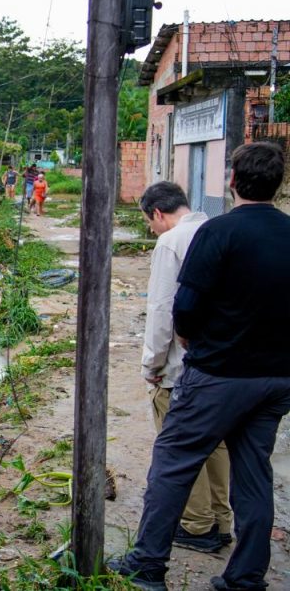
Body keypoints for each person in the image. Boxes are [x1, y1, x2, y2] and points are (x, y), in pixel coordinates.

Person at [109, 142, 290, 591]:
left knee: (172, 461)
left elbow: (184, 309)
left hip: (219, 373)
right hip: (276, 379)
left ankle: (148, 564)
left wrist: (192, 338)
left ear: (231, 181)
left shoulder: (218, 232)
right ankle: (245, 577)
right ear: (279, 183)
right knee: (254, 474)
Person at [139, 181, 232, 554]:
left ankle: (196, 526)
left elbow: (162, 310)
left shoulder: (170, 242)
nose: (151, 230)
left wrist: (152, 363)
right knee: (216, 443)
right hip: (218, 363)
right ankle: (222, 521)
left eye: (149, 223)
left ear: (158, 213)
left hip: (179, 367)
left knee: (179, 448)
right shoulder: (217, 230)